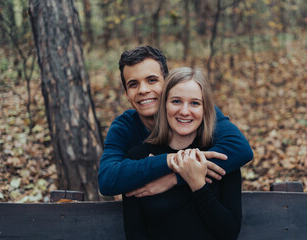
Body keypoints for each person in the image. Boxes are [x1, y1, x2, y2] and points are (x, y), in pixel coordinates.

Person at [98, 45, 252, 197]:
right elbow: (107, 179)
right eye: (133, 84)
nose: (143, 90)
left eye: (152, 80)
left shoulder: (191, 112)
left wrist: (174, 178)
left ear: (167, 83)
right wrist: (169, 160)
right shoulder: (124, 126)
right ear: (126, 93)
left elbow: (240, 149)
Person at [123, 67, 242, 239]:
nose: (185, 111)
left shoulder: (221, 157)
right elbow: (135, 234)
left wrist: (198, 186)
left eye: (195, 103)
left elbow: (230, 232)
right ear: (164, 105)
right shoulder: (139, 158)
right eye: (176, 101)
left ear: (205, 109)